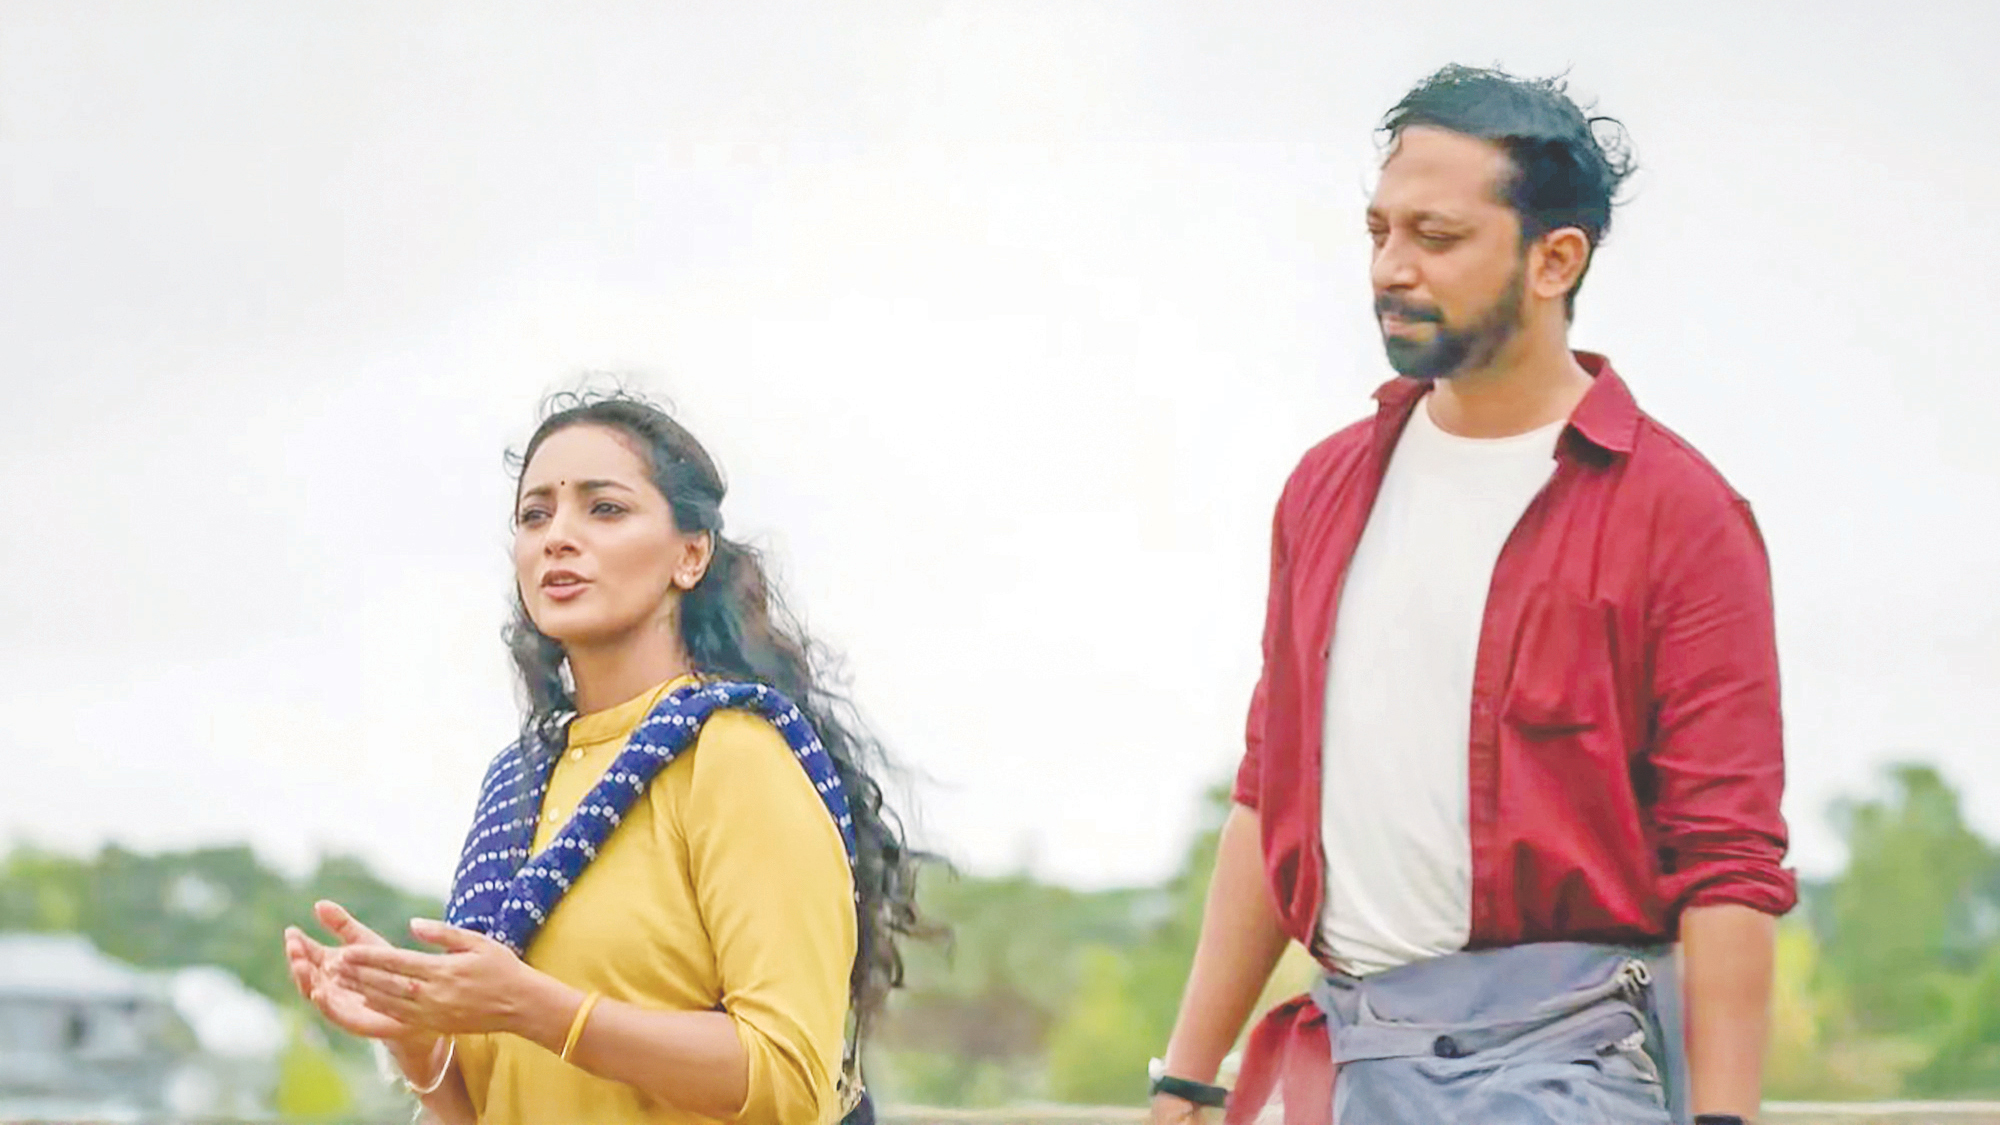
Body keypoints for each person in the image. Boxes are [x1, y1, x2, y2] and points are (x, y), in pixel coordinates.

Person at [1146, 65, 1794, 1125]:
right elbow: (1269, 795)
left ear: (1553, 260)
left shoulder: (1679, 515)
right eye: (1378, 232)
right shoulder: (1325, 488)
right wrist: (1185, 1080)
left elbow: (1727, 860)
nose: (1390, 268)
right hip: (1348, 1061)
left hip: (1566, 1066)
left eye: (1435, 238)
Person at [282, 391, 928, 1125]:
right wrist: (418, 1035)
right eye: (535, 515)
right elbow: (491, 1107)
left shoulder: (732, 753)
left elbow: (791, 1080)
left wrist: (535, 1007)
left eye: (605, 509)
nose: (558, 536)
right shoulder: (519, 784)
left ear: (690, 554)